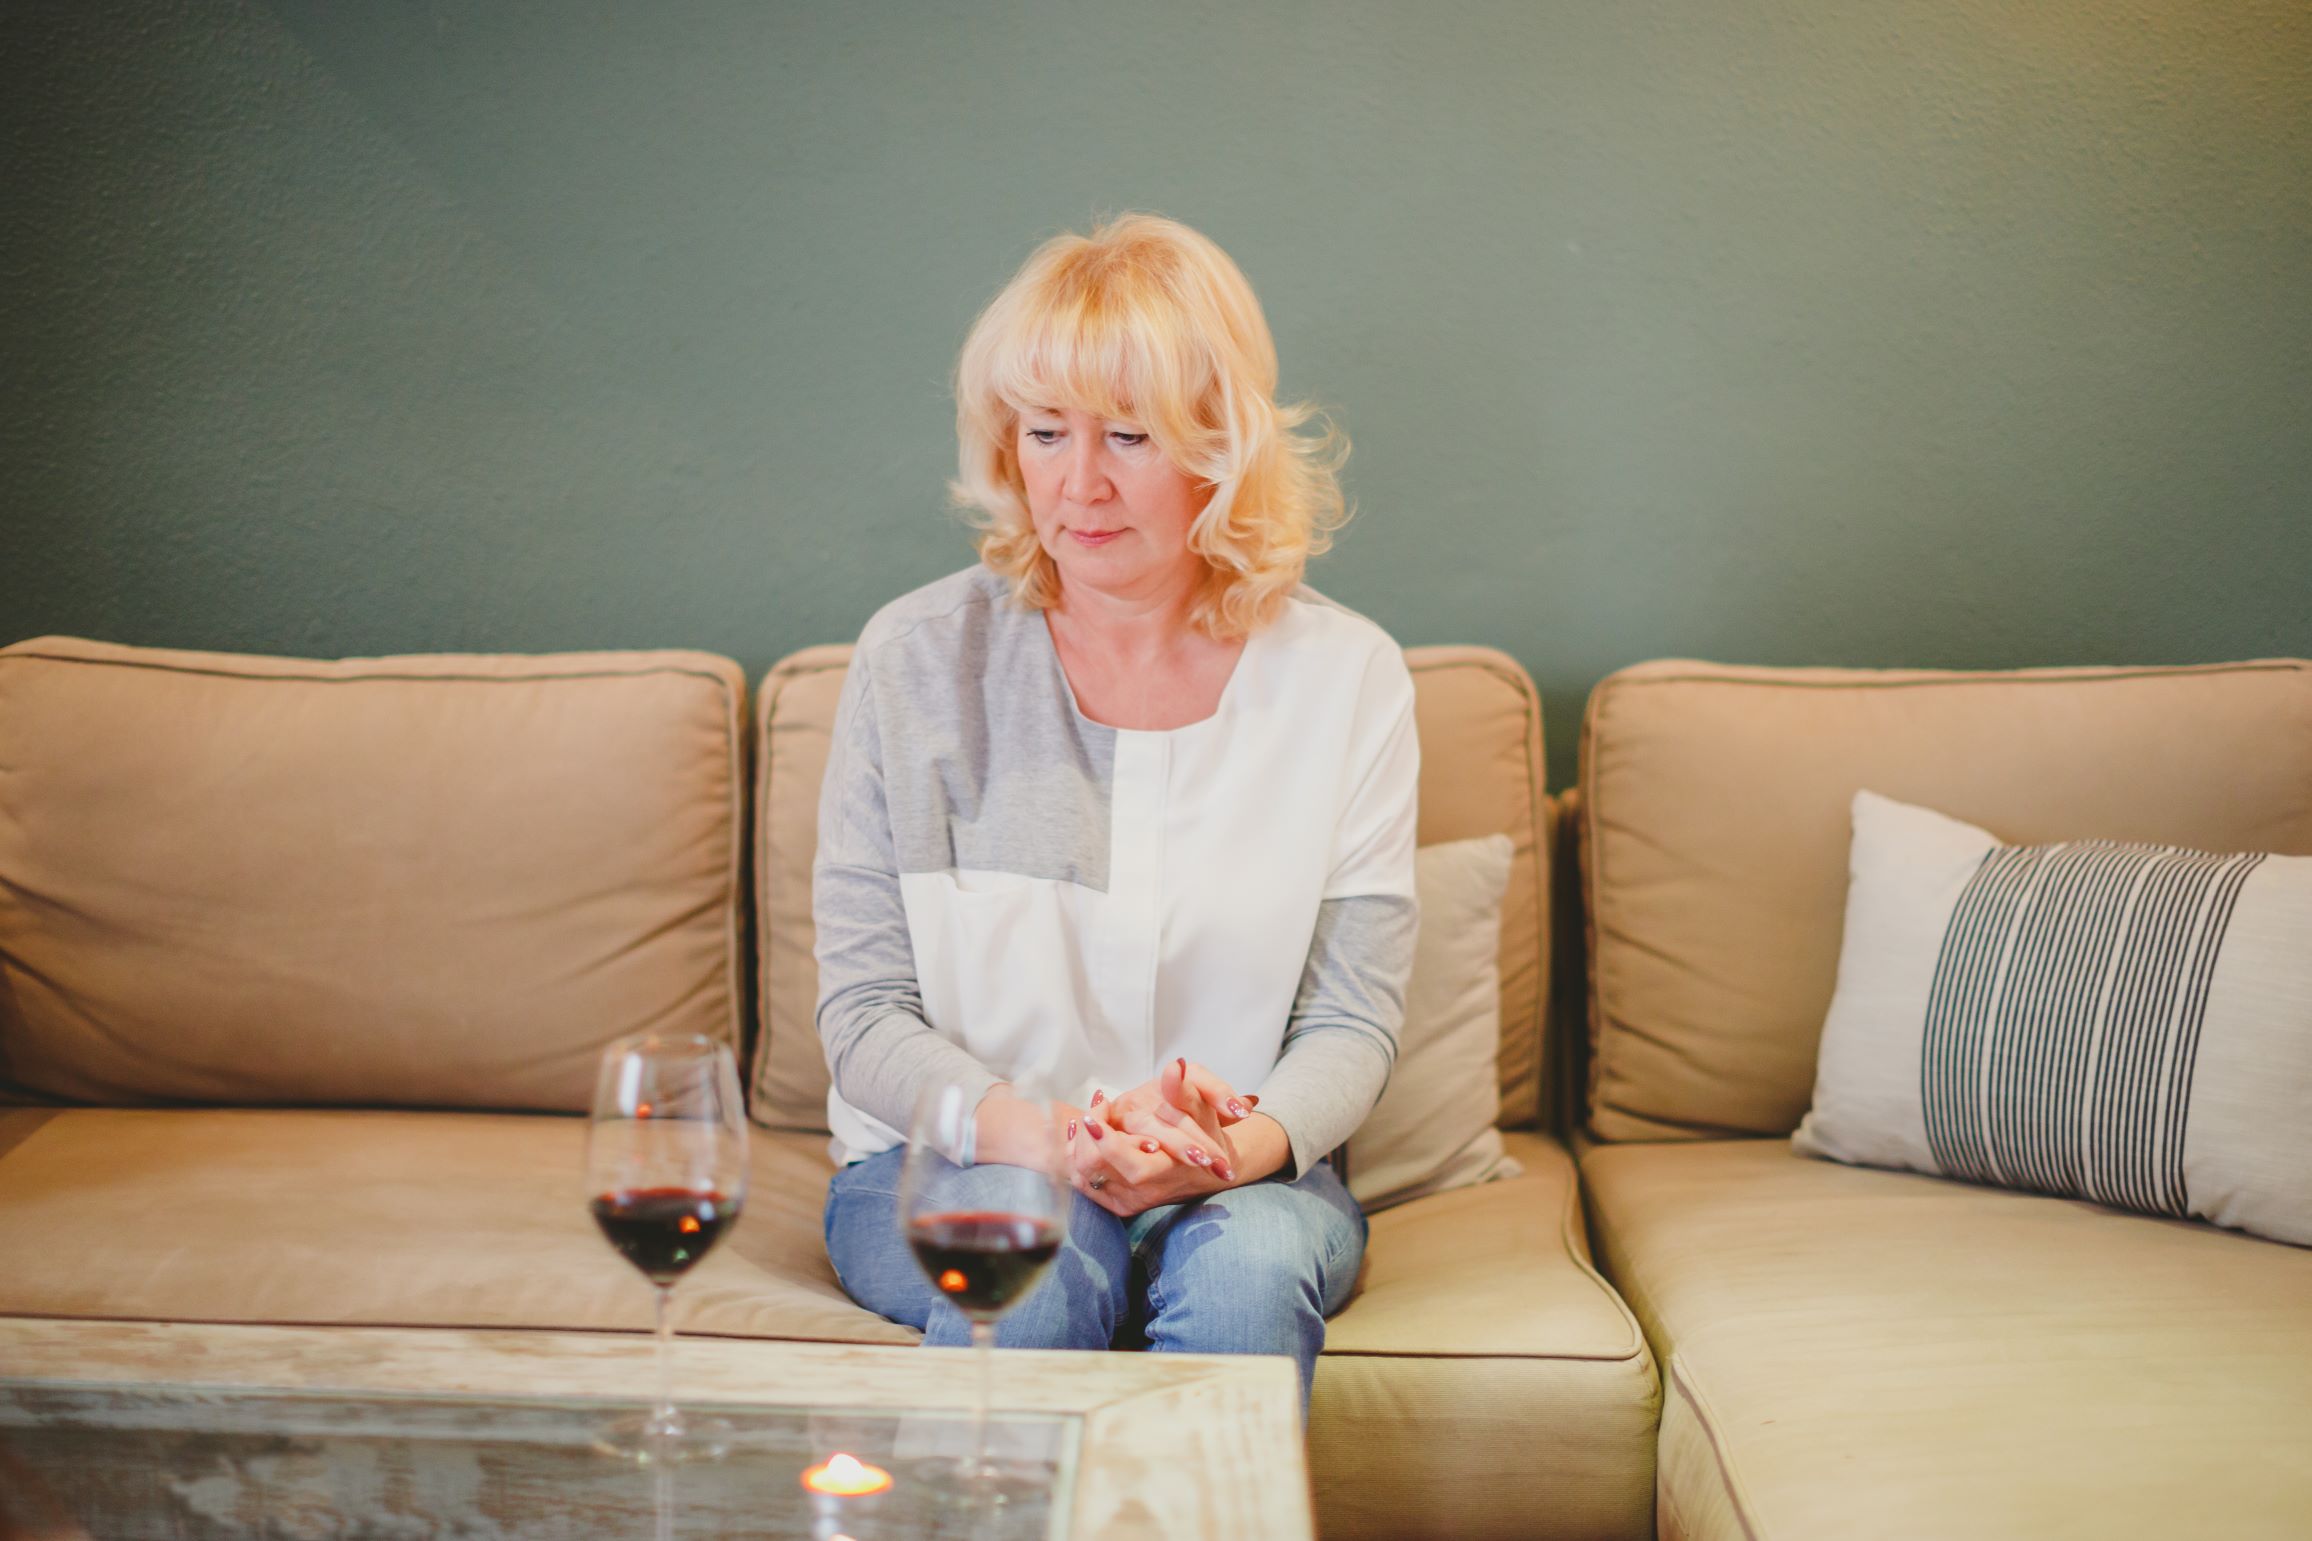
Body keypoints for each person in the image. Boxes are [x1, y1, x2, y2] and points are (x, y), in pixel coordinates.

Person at [815, 212, 1418, 1405]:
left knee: (1244, 1276)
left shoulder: (1344, 678)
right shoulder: (914, 663)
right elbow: (863, 1011)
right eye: (1044, 432)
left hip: (1249, 1183)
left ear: (1218, 446)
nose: (1076, 483)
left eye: (1128, 436)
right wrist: (1042, 1140)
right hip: (953, 1163)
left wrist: (1221, 1153)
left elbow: (1350, 1022)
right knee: (1039, 1250)